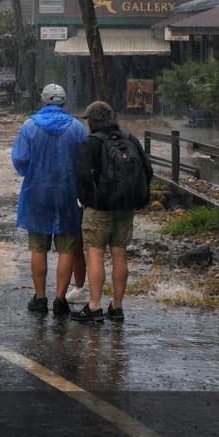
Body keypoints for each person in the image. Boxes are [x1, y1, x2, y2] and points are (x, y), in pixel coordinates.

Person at [72, 101, 153, 323]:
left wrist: (85, 199)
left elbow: (82, 176)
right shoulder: (129, 139)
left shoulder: (91, 142)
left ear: (91, 121)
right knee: (119, 255)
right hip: (126, 208)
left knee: (95, 254)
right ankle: (116, 307)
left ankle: (95, 307)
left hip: (99, 209)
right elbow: (148, 170)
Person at [12, 84, 88, 316]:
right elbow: (84, 162)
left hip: (37, 193)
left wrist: (36, 172)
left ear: (42, 102)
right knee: (66, 248)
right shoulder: (77, 127)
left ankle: (41, 298)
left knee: (38, 247)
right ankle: (60, 300)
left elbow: (20, 160)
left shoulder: (30, 126)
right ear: (65, 102)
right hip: (68, 194)